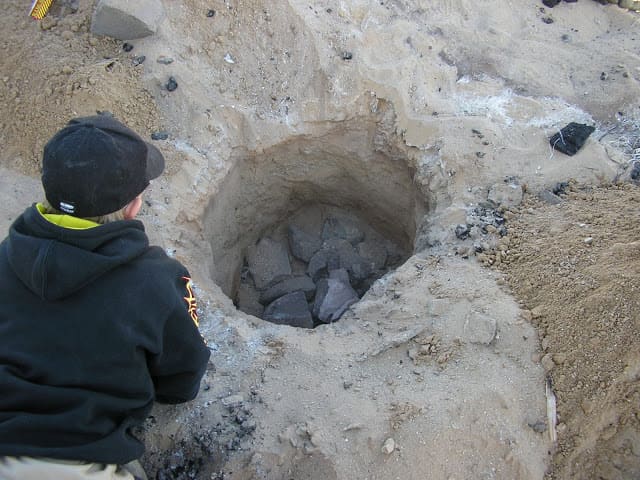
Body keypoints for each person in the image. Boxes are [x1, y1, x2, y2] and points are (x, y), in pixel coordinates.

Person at [0, 114, 211, 480]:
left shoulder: (5, 260)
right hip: (83, 462)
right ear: (133, 206)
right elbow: (181, 382)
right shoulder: (157, 282)